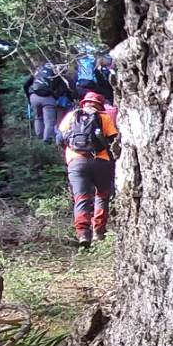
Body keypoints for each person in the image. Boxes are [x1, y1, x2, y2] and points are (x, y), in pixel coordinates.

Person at [56, 90, 118, 248]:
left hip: (76, 162)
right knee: (102, 196)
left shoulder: (72, 116)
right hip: (101, 161)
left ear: (84, 103)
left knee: (81, 198)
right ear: (100, 105)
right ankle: (99, 232)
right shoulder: (104, 117)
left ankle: (83, 233)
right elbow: (113, 140)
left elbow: (59, 138)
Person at [25, 60, 70, 142]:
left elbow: (25, 85)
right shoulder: (55, 74)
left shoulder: (37, 73)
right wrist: (55, 96)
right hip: (48, 99)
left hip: (34, 97)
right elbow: (62, 89)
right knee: (49, 121)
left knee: (38, 118)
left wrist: (29, 97)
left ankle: (39, 138)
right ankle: (47, 140)